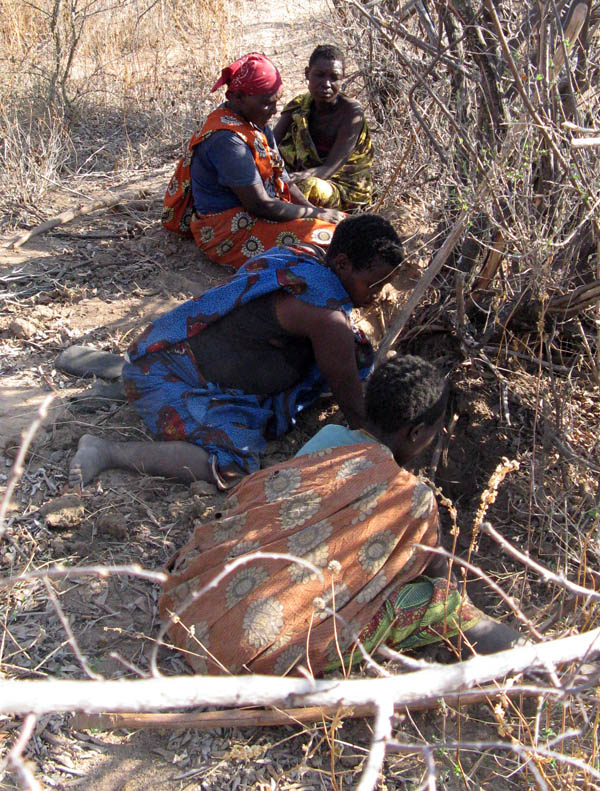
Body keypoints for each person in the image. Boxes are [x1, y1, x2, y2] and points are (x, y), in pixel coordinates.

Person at [159, 355, 520, 676]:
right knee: (441, 602)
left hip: (189, 610)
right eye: (434, 431)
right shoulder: (413, 500)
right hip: (255, 661)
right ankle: (530, 657)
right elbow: (438, 576)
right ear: (416, 433)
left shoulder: (328, 439)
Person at [69, 214, 403, 490]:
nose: (379, 294)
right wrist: (391, 452)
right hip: (179, 376)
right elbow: (355, 409)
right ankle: (107, 451)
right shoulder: (326, 319)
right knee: (234, 463)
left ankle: (122, 371)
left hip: (176, 351)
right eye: (374, 284)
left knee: (353, 352)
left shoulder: (306, 259)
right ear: (342, 264)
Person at [162, 52, 345, 270]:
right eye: (268, 103)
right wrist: (316, 214)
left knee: (344, 228)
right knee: (333, 243)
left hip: (258, 214)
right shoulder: (227, 139)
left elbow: (283, 180)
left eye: (275, 101)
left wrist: (313, 212)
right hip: (228, 232)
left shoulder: (254, 121)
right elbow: (261, 205)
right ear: (238, 97)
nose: (275, 110)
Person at [274, 44, 373, 212]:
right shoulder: (299, 105)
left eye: (334, 77)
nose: (326, 84)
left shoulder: (351, 112)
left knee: (306, 187)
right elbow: (269, 145)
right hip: (297, 178)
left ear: (343, 79)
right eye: (319, 75)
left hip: (343, 190)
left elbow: (329, 168)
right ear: (307, 74)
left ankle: (313, 218)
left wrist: (289, 179)